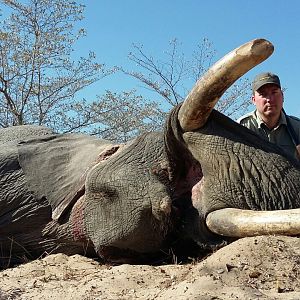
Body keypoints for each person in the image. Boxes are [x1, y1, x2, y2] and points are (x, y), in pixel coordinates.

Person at [237, 72, 300, 161]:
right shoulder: (242, 126)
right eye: (263, 94)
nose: (270, 99)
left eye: (274, 92)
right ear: (253, 100)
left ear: (282, 96)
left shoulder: (297, 127)